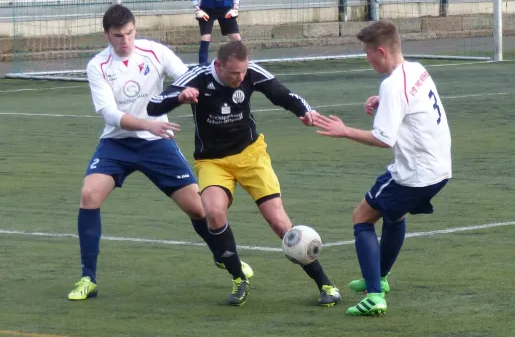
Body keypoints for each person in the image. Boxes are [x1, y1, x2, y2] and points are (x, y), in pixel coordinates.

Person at [67, 4, 252, 301]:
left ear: (135, 29)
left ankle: (225, 256)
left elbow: (187, 76)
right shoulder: (97, 66)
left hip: (157, 143)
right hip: (118, 143)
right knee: (89, 195)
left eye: (129, 33)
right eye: (118, 36)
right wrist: (147, 124)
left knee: (198, 208)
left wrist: (188, 92)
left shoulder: (154, 52)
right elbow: (109, 114)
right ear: (106, 36)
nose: (125, 41)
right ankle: (87, 278)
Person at [147, 41, 341, 307]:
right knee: (213, 213)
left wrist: (304, 111)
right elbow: (153, 106)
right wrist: (179, 97)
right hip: (212, 161)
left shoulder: (250, 72)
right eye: (234, 73)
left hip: (251, 155)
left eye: (243, 72)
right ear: (218, 65)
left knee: (278, 221)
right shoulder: (197, 78)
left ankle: (326, 284)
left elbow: (281, 93)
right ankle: (239, 278)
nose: (240, 78)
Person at [312, 20, 452, 316]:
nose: (366, 58)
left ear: (380, 51)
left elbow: (383, 139)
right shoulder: (416, 69)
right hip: (440, 167)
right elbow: (414, 105)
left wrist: (344, 130)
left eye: (367, 52)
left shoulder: (392, 85)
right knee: (394, 213)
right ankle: (379, 277)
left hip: (416, 172)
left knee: (362, 216)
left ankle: (375, 294)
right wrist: (383, 102)